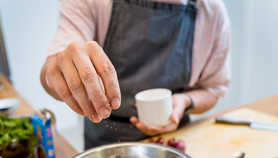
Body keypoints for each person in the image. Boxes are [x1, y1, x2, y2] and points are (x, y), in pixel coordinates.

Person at [40, 0, 231, 149]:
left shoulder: (212, 11)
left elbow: (213, 89)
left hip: (172, 144)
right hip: (105, 144)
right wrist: (57, 70)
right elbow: (50, 72)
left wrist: (185, 101)